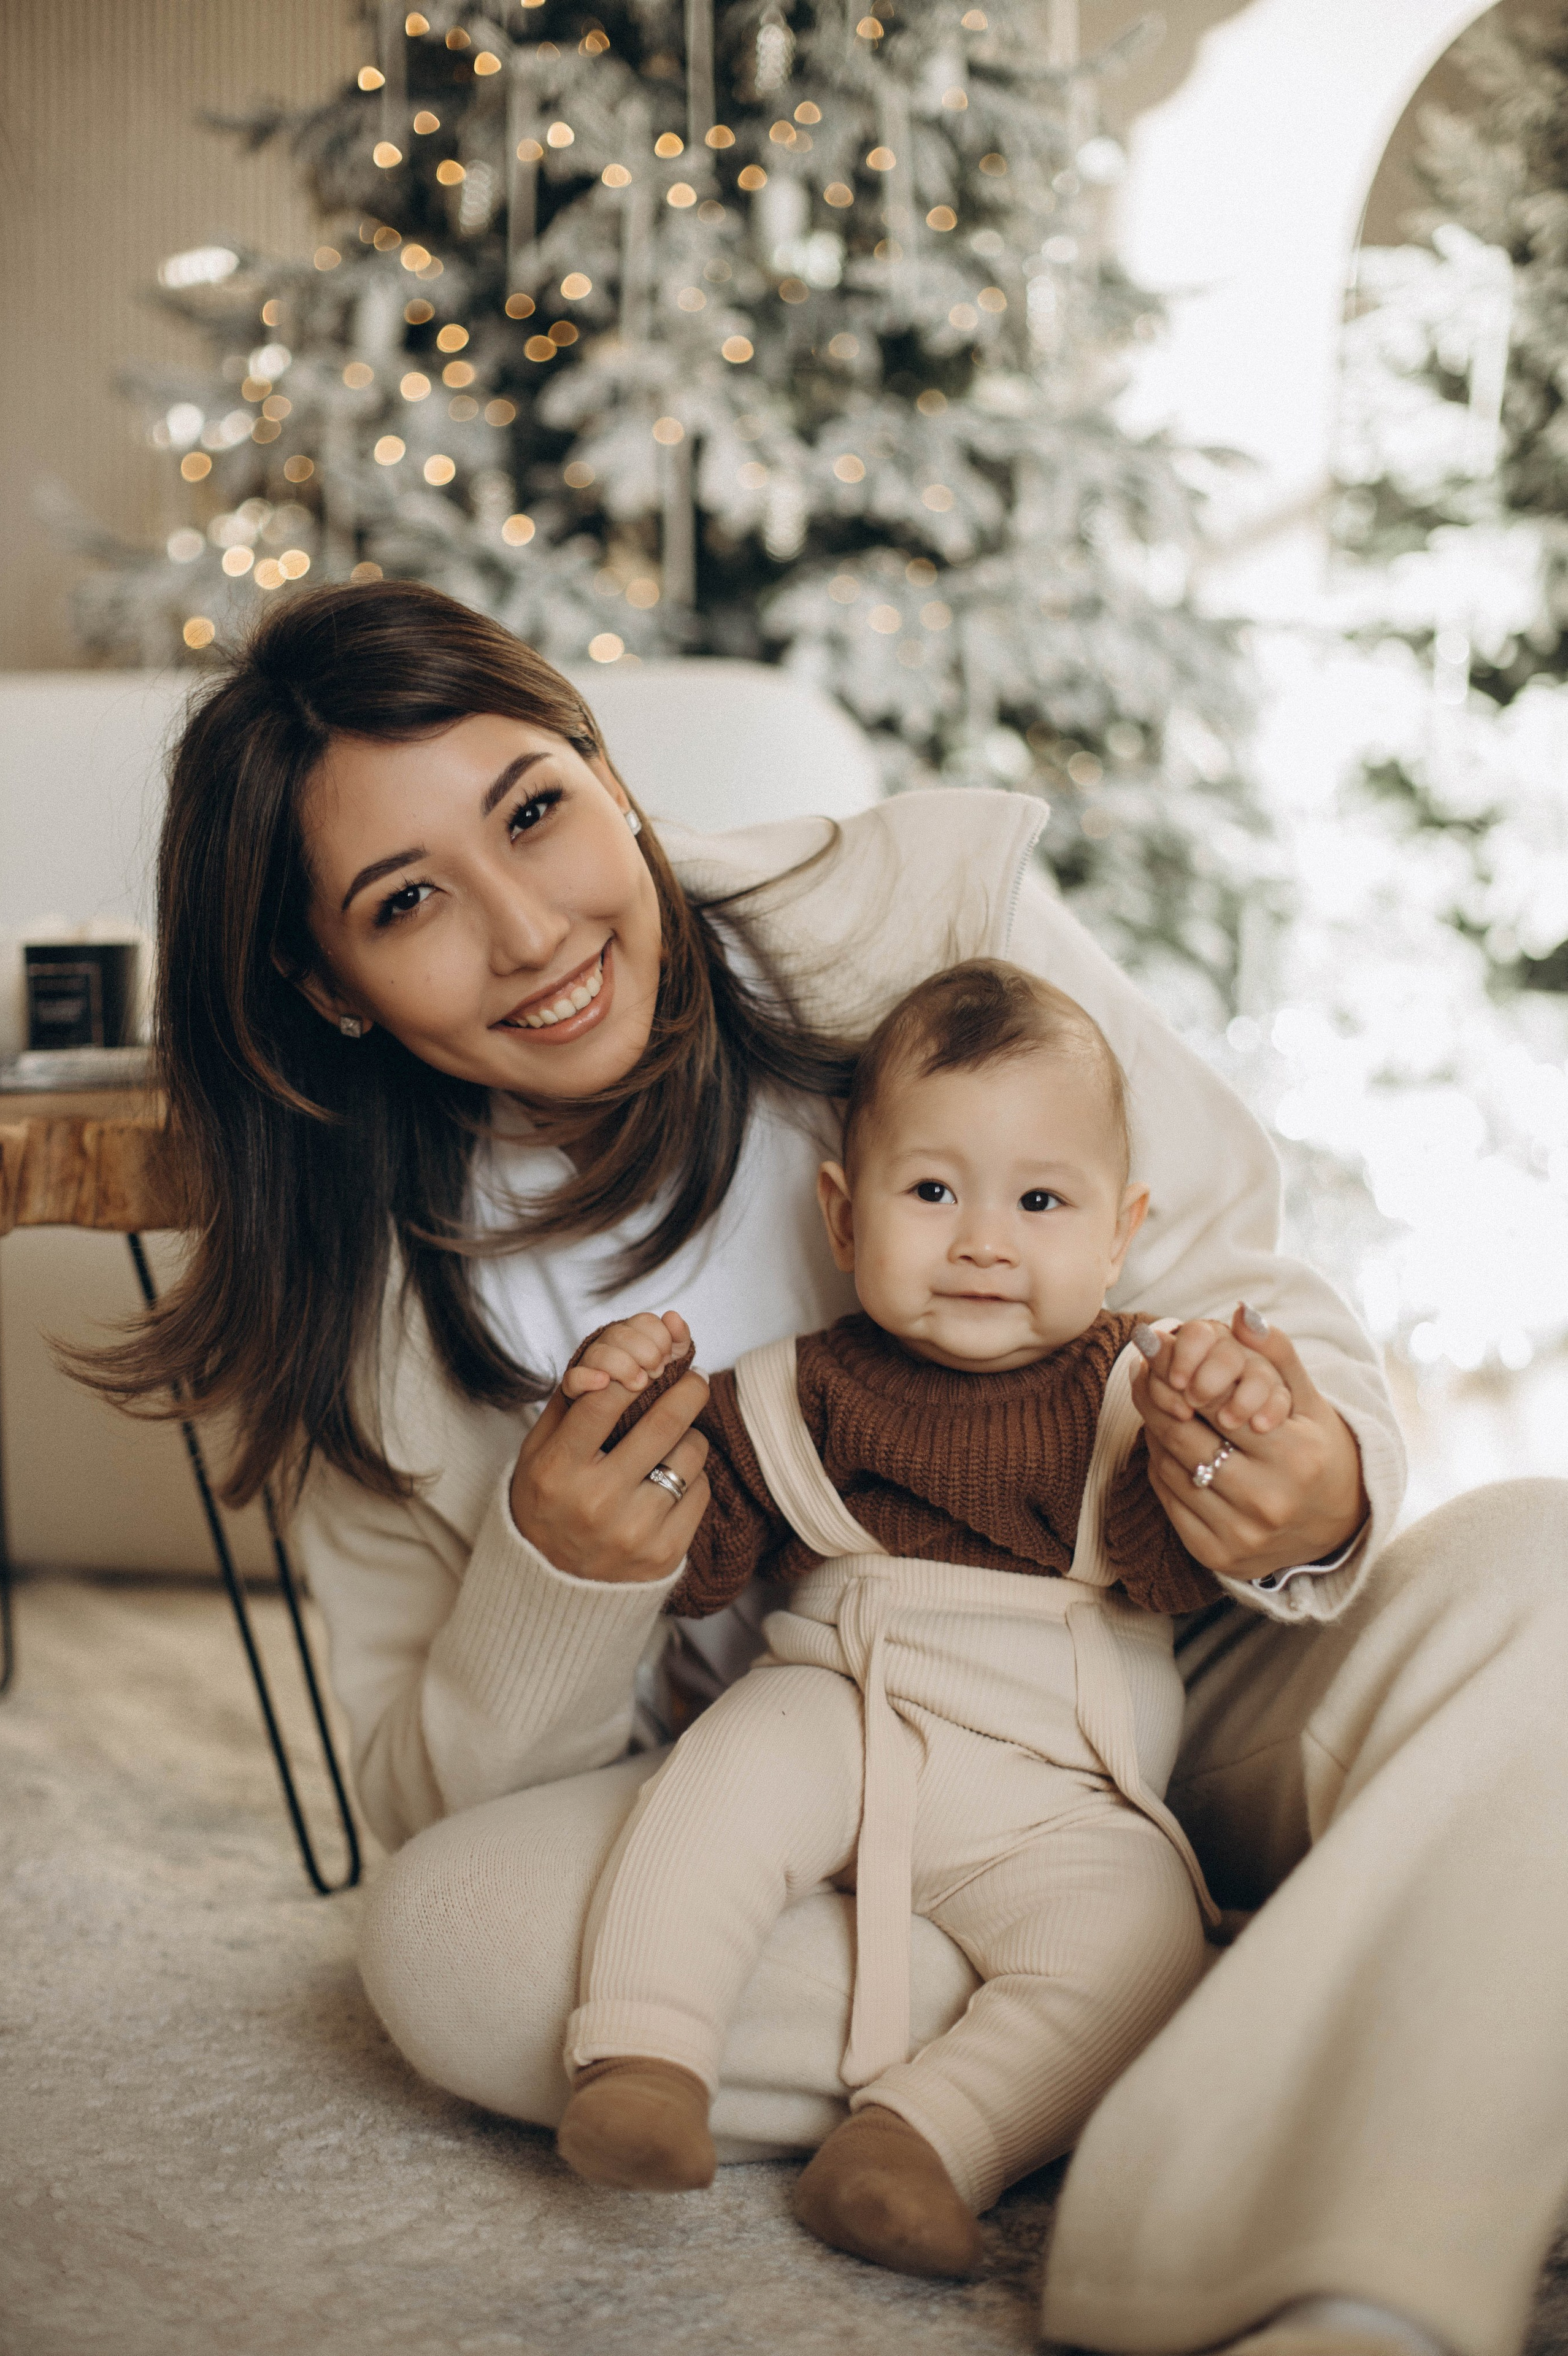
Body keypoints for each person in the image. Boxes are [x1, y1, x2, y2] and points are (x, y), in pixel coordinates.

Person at [83, 580, 1568, 2356]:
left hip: (1157, 1684)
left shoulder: (912, 934)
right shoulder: (362, 1299)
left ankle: (1337, 2276)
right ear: (326, 985)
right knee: (450, 1942)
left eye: (536, 813)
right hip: (791, 1806)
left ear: (608, 776)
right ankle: (1337, 1976)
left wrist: (1308, 1483)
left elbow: (1236, 1280)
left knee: (1542, 1570)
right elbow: (424, 1794)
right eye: (409, 904)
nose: (530, 931)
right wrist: (552, 1584)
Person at [553, 959, 1305, 2280]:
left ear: (1118, 1234)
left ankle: (918, 2142)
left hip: (1052, 1787)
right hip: (839, 1707)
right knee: (719, 1784)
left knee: (1143, 1951)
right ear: (842, 1218)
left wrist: (1224, 1429)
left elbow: (1184, 1569)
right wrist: (626, 1416)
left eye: (1037, 1200)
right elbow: (699, 1551)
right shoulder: (799, 1388)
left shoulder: (1139, 1389)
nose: (981, 1240)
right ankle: (644, 2055)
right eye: (930, 1191)